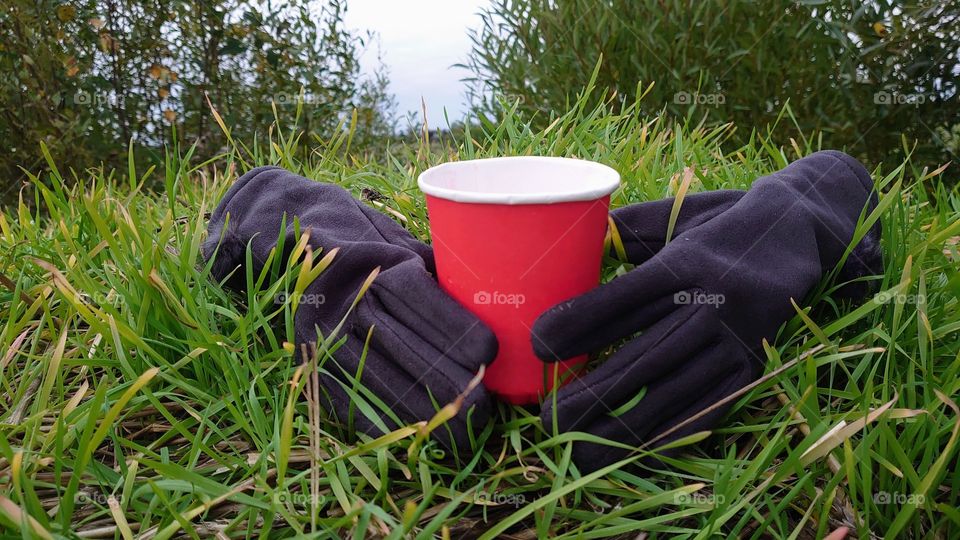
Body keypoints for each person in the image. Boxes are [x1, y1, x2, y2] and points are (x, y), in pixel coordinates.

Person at [204, 150, 882, 472]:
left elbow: (841, 179)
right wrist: (321, 260)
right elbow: (255, 193)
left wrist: (791, 223)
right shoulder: (406, 248)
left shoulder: (621, 225)